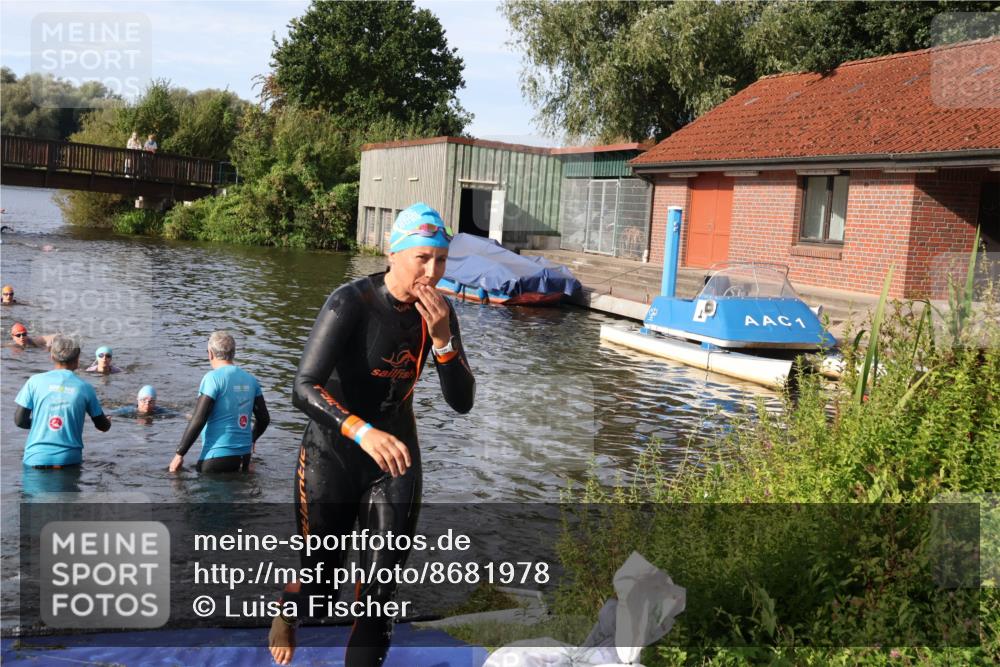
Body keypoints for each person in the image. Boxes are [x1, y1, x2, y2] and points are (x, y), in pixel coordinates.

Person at [268, 202, 475, 666]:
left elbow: (462, 402)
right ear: (393, 253)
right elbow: (303, 388)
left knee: (379, 592)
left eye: (440, 259)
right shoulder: (350, 303)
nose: (432, 270)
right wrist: (362, 432)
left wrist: (442, 339)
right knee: (321, 586)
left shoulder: (438, 314)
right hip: (333, 453)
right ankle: (288, 610)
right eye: (422, 257)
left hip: (396, 457)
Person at [169, 331, 269, 473]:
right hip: (244, 458)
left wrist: (180, 454)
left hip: (216, 458)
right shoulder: (251, 380)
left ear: (210, 353)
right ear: (233, 353)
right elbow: (264, 419)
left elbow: (199, 419)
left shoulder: (212, 378)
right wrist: (251, 439)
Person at [13, 334, 111, 468]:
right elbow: (102, 426)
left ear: (52, 357)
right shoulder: (85, 388)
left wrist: (43, 424)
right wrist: (108, 422)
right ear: (77, 360)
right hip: (69, 460)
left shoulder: (34, 381)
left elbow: (19, 421)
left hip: (35, 458)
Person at [110, 385, 174, 419]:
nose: (147, 404)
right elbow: (111, 414)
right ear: (138, 400)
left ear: (155, 402)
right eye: (144, 400)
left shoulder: (159, 411)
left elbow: (177, 415)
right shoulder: (129, 410)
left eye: (151, 401)